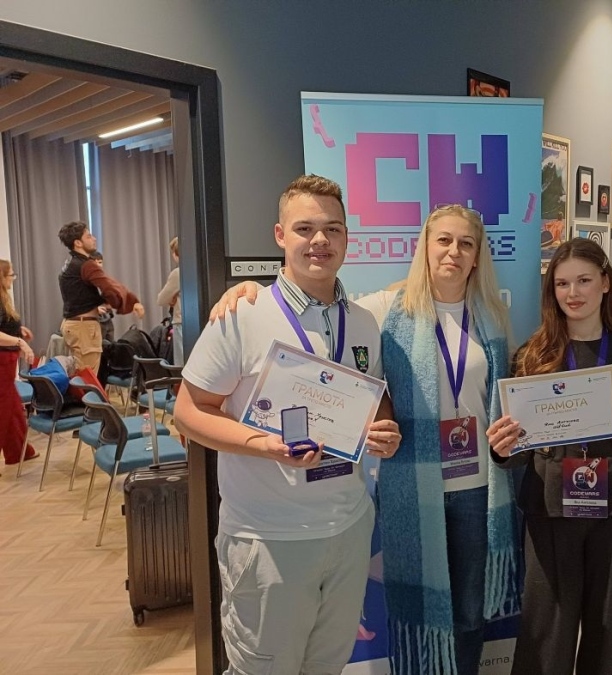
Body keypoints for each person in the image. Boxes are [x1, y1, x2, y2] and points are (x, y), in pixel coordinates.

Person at [210, 204, 522, 675]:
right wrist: (246, 291)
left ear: (477, 255)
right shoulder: (386, 310)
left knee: (470, 613)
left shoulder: (492, 318)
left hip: (478, 488)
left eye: (466, 243)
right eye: (443, 240)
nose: (453, 252)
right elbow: (320, 305)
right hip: (414, 490)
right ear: (425, 247)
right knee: (423, 612)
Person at [175, 175, 401, 675]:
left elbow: (373, 399)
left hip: (348, 529)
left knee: (327, 665)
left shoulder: (362, 321)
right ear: (280, 235)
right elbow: (188, 412)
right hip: (267, 538)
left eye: (333, 229)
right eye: (305, 228)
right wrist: (265, 445)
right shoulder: (243, 313)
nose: (320, 240)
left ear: (347, 238)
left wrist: (383, 428)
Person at [486, 238, 612, 675]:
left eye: (584, 281)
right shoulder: (531, 357)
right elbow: (517, 451)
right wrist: (502, 449)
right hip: (550, 509)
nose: (573, 293)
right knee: (546, 633)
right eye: (562, 283)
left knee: (610, 628)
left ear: (605, 283)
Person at [58, 222, 144, 374]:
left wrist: (105, 302)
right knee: (87, 377)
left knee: (80, 374)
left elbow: (82, 293)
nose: (94, 239)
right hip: (84, 328)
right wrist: (131, 302)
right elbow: (109, 285)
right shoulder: (86, 265)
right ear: (78, 243)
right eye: (88, 236)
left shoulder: (70, 263)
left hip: (73, 325)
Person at [0, 259, 39, 471]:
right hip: (2, 360)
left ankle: (18, 451)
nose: (13, 279)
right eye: (11, 275)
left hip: (7, 358)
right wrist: (19, 342)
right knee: (4, 408)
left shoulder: (3, 299)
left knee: (13, 405)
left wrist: (18, 330)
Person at [157, 236, 183, 365]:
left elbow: (161, 300)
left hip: (181, 322)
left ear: (176, 254)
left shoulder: (178, 273)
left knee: (181, 364)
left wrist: (172, 297)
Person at [90, 251, 116, 343]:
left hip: (107, 319)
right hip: (94, 321)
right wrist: (95, 309)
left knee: (111, 346)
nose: (98, 265)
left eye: (100, 262)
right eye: (95, 263)